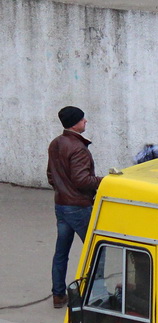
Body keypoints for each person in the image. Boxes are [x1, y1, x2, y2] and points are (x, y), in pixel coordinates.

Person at [47, 106, 103, 308]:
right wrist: (105, 181)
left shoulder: (56, 143)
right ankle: (98, 297)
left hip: (61, 205)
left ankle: (58, 295)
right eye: (82, 119)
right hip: (79, 207)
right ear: (74, 123)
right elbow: (82, 180)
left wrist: (63, 191)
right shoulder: (77, 148)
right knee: (97, 251)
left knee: (61, 252)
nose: (86, 121)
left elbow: (51, 176)